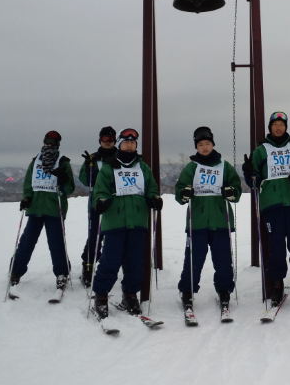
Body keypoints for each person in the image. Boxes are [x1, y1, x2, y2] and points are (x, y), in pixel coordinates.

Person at [91, 128, 163, 319]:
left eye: (133, 143)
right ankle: (101, 296)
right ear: (120, 144)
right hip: (115, 221)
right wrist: (101, 201)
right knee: (110, 260)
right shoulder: (109, 166)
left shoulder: (142, 167)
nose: (130, 145)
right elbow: (100, 189)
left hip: (138, 221)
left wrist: (154, 198)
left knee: (135, 262)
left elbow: (151, 187)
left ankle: (130, 295)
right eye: (126, 142)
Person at [242, 111, 290, 307]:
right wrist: (249, 174)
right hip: (272, 205)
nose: (278, 127)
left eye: (282, 124)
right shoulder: (261, 150)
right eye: (275, 124)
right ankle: (277, 284)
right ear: (270, 127)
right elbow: (253, 181)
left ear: (286, 127)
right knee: (277, 247)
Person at [175, 126, 242, 315]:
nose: (204, 147)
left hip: (221, 221)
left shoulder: (224, 166)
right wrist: (184, 193)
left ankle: (224, 290)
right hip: (197, 222)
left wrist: (230, 193)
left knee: (223, 259)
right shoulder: (192, 167)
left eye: (207, 144)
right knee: (193, 259)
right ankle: (187, 291)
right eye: (201, 144)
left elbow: (236, 189)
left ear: (213, 145)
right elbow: (179, 192)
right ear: (196, 147)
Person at [10, 131, 75, 291]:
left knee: (56, 244)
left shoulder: (63, 162)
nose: (49, 144)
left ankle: (62, 274)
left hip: (54, 208)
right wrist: (26, 197)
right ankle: (16, 271)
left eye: (53, 142)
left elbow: (70, 188)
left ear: (58, 144)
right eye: (47, 141)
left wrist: (63, 179)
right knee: (26, 242)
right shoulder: (36, 161)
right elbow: (28, 182)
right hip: (36, 208)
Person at [78, 126, 117, 287]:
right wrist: (88, 166)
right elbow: (84, 180)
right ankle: (88, 265)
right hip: (97, 201)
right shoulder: (94, 158)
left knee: (114, 234)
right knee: (95, 233)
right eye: (104, 139)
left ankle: (111, 265)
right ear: (100, 140)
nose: (107, 142)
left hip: (116, 200)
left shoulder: (120, 156)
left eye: (111, 139)